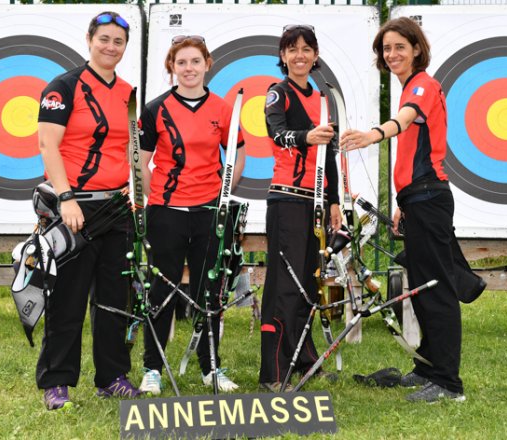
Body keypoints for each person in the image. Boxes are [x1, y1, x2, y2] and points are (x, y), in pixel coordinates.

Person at [341, 17, 467, 403]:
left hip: (429, 198)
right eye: (386, 48)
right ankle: (428, 368)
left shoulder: (422, 85)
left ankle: (448, 383)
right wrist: (402, 203)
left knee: (437, 289)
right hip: (418, 200)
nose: (391, 54)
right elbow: (416, 149)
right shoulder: (409, 85)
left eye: (399, 46)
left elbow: (405, 121)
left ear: (416, 48)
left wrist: (371, 135)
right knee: (422, 289)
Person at [35, 11, 140, 410]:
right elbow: (49, 146)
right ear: (90, 39)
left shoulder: (129, 93)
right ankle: (57, 382)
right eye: (105, 39)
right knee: (68, 299)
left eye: (118, 42)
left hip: (117, 207)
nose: (111, 47)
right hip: (74, 207)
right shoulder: (63, 87)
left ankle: (112, 377)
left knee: (115, 300)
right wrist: (66, 200)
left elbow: (130, 152)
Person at [137, 35, 246, 394]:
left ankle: (210, 367)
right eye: (181, 62)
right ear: (172, 67)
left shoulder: (222, 108)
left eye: (195, 62)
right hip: (167, 213)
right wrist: (157, 195)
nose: (188, 69)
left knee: (209, 292)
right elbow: (138, 159)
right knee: (161, 291)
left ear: (207, 64)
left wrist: (223, 191)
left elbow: (238, 154)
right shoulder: (155, 109)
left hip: (209, 213)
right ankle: (153, 368)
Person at [259, 24, 342, 392]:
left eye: (307, 49)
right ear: (283, 56)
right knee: (284, 286)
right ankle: (274, 372)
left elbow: (331, 155)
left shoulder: (323, 98)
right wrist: (307, 136)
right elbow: (276, 133)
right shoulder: (278, 94)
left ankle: (304, 360)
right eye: (292, 49)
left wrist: (335, 200)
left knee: (309, 285)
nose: (300, 56)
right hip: (288, 199)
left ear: (315, 54)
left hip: (317, 202)